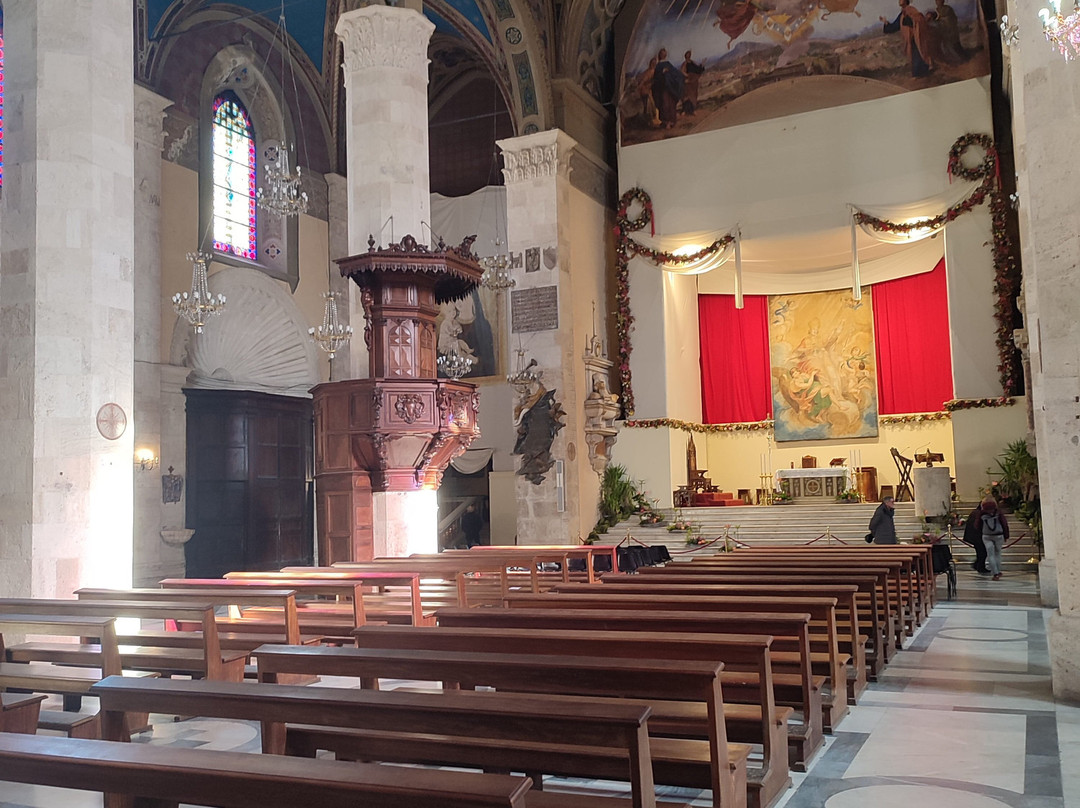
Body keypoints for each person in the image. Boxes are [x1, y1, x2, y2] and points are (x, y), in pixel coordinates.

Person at [880, 0, 934, 78]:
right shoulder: (902, 14)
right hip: (910, 41)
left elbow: (919, 20)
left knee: (919, 58)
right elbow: (894, 26)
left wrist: (909, 20)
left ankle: (923, 74)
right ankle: (920, 74)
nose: (899, 1)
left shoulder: (911, 10)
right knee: (914, 60)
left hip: (916, 39)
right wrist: (885, 22)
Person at [651, 48, 685, 129]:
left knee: (671, 105)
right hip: (663, 89)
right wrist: (662, 73)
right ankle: (666, 122)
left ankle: (671, 121)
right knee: (665, 105)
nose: (664, 55)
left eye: (664, 54)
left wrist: (672, 76)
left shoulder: (668, 64)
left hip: (670, 89)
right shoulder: (658, 66)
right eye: (662, 54)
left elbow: (675, 73)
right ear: (660, 55)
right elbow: (656, 78)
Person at [977, 496, 1009, 580]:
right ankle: (998, 570)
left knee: (990, 555)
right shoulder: (998, 512)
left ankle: (995, 573)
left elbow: (977, 525)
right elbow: (1004, 524)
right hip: (998, 535)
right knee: (998, 553)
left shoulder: (981, 513)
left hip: (986, 535)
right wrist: (1006, 535)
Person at [962, 500, 991, 574]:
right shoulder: (979, 514)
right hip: (978, 537)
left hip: (975, 537)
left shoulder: (975, 512)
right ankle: (980, 566)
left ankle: (978, 565)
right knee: (982, 552)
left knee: (981, 552)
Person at [681, 50, 705, 116]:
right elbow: (682, 71)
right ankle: (685, 110)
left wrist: (702, 65)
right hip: (688, 82)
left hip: (694, 82)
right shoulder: (684, 64)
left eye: (689, 55)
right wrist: (687, 75)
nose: (688, 56)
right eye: (687, 55)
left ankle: (693, 110)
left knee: (693, 96)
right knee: (686, 96)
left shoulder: (693, 62)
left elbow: (698, 69)